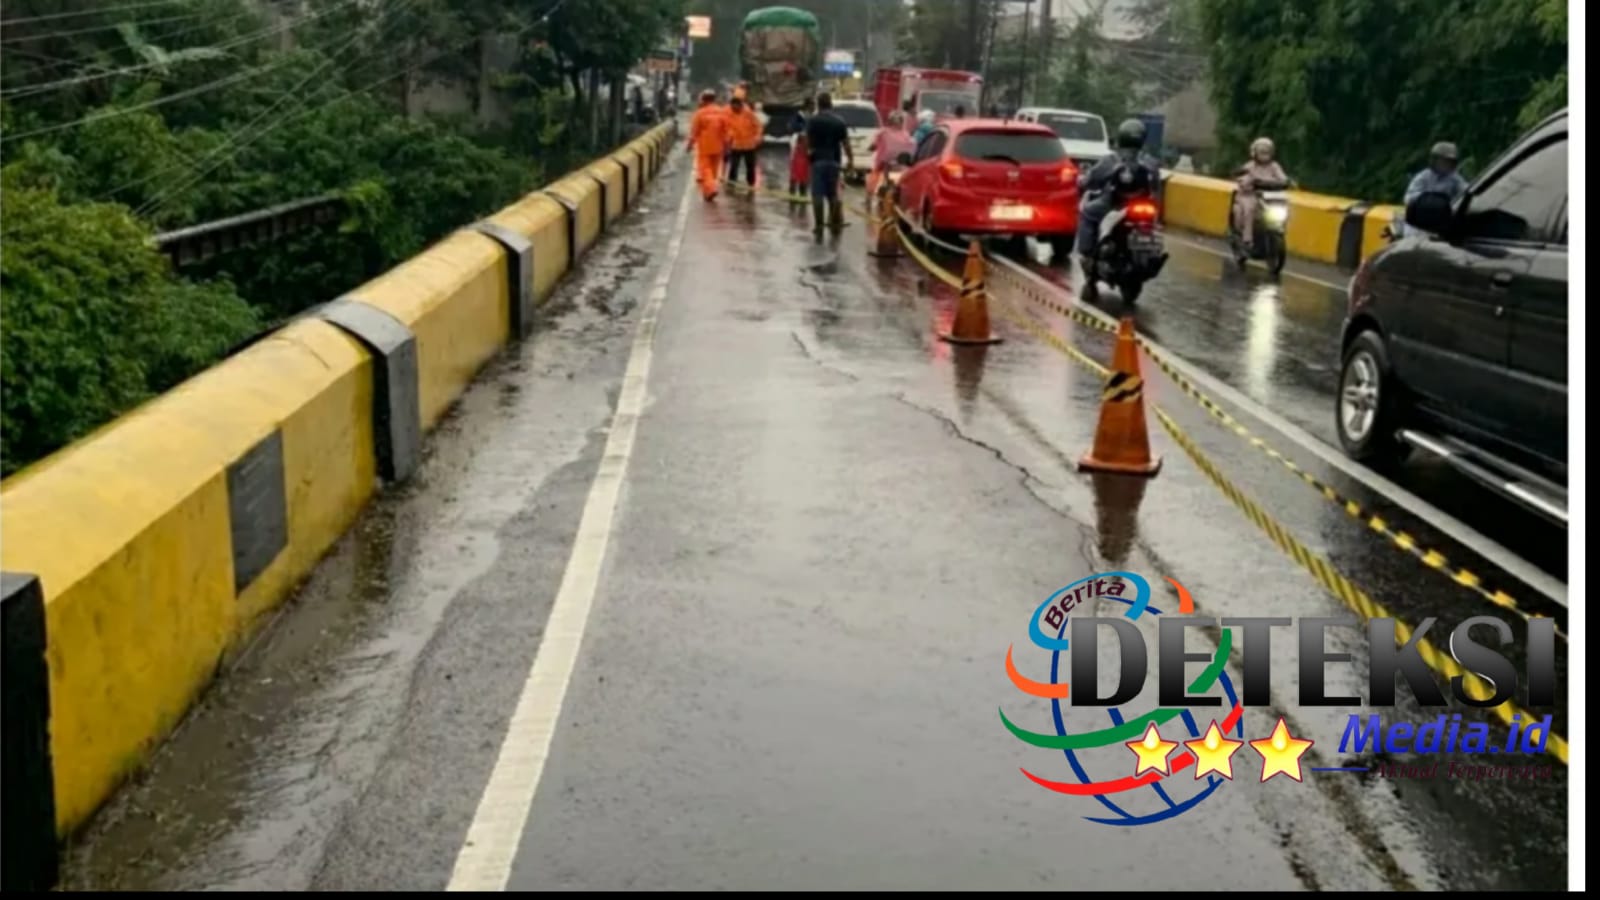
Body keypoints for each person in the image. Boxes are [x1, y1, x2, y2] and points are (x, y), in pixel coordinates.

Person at [1075, 118, 1162, 264]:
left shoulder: (1111, 159)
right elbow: (1156, 186)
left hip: (1113, 203)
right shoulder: (1150, 162)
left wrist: (1082, 182)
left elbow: (1091, 179)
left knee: (1088, 213)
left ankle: (1088, 253)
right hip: (1143, 205)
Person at [804, 91, 854, 236]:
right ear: (830, 104)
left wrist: (809, 153)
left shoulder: (812, 121)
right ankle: (833, 222)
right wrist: (850, 161)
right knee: (833, 194)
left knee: (817, 195)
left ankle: (819, 225)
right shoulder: (839, 121)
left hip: (817, 160)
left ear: (818, 104)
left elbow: (807, 141)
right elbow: (846, 144)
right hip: (834, 161)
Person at [1394, 141, 1468, 237]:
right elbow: (1408, 198)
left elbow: (1467, 191)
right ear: (1435, 160)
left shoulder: (1454, 178)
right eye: (1444, 161)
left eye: (1450, 161)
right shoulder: (1423, 176)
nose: (1447, 164)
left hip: (1441, 223)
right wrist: (1429, 201)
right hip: (1419, 223)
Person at [1231, 136, 1292, 253]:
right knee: (1249, 209)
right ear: (1255, 153)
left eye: (1267, 152)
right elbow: (1242, 177)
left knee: (1284, 208)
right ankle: (1247, 239)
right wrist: (1246, 181)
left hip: (1268, 198)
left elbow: (1282, 177)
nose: (1265, 155)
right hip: (1249, 196)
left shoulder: (1274, 166)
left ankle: (1277, 230)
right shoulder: (1250, 166)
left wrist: (1287, 182)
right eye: (1262, 152)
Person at [686, 89, 730, 201]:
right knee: (713, 171)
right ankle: (707, 193)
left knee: (705, 170)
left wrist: (690, 145)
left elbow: (694, 132)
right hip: (718, 146)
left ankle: (711, 189)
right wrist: (726, 145)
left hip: (705, 146)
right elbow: (726, 130)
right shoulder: (721, 112)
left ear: (703, 100)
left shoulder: (700, 113)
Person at [866, 110, 915, 202]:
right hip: (899, 162)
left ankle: (868, 198)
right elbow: (910, 146)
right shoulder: (906, 134)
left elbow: (874, 145)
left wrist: (870, 149)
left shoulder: (883, 132)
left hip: (883, 161)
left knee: (874, 175)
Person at [724, 96, 762, 189]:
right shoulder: (728, 113)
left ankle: (751, 184)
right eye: (732, 107)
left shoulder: (749, 113)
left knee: (750, 166)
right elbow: (725, 127)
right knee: (733, 166)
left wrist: (757, 136)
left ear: (740, 106)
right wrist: (728, 136)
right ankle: (731, 184)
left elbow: (758, 126)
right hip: (736, 145)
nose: (734, 109)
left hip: (749, 145)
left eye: (735, 107)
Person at [788, 99, 814, 200]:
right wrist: (802, 131)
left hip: (807, 148)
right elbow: (791, 127)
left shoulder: (812, 117)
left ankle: (802, 193)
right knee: (795, 171)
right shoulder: (798, 117)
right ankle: (792, 193)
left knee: (805, 172)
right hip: (797, 148)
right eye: (812, 106)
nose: (814, 108)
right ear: (807, 106)